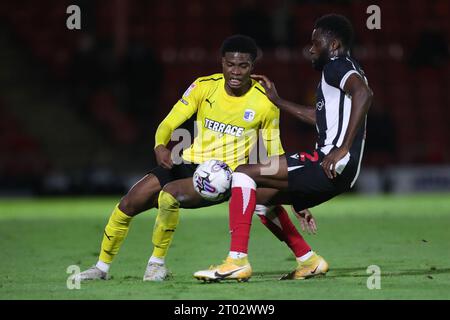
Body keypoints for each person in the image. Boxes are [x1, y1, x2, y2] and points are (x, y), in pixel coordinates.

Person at [72, 35, 318, 282]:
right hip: (188, 161)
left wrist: (295, 195)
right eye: (230, 64)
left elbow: (274, 153)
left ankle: (156, 264)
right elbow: (169, 122)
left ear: (252, 67)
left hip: (223, 175)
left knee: (169, 195)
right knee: (129, 202)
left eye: (243, 66)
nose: (235, 71)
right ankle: (101, 268)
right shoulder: (203, 86)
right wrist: (160, 145)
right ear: (222, 62)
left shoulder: (264, 101)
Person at [194, 14, 373, 281]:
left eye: (315, 43)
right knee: (262, 199)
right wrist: (278, 101)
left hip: (329, 161)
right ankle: (309, 261)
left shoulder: (336, 66)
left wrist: (342, 148)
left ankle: (237, 261)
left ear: (333, 45)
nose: (310, 49)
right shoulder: (346, 68)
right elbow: (319, 116)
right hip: (336, 170)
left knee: (244, 173)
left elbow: (364, 94)